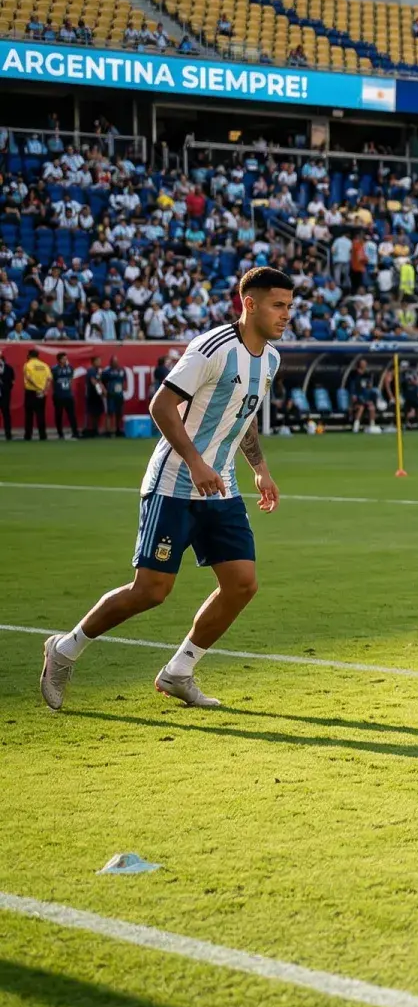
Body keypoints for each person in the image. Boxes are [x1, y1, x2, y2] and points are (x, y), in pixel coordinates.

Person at [39, 268, 293, 712]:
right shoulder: (211, 348)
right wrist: (195, 462)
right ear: (249, 304)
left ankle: (179, 671)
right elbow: (160, 404)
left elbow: (244, 415)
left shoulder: (270, 359)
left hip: (222, 487)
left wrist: (261, 468)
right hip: (175, 482)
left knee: (242, 583)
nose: (286, 315)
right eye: (278, 305)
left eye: (289, 306)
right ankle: (64, 649)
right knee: (151, 591)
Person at [22, 349, 50, 440]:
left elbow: (28, 378)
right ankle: (43, 435)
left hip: (31, 392)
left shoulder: (27, 365)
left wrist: (37, 387)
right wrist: (44, 390)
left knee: (29, 415)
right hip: (41, 392)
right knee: (40, 414)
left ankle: (28, 436)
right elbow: (49, 379)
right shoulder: (44, 365)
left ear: (29, 356)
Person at [51, 352, 77, 439]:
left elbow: (71, 378)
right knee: (58, 415)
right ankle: (60, 433)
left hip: (68, 395)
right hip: (59, 395)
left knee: (72, 415)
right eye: (63, 358)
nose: (65, 360)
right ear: (59, 360)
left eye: (66, 358)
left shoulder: (70, 368)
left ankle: (75, 432)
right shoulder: (54, 369)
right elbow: (52, 381)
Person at [102, 356, 129, 438]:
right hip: (111, 394)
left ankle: (118, 429)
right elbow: (102, 382)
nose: (115, 363)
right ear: (111, 362)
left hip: (119, 394)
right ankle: (109, 430)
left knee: (119, 413)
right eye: (114, 361)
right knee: (110, 412)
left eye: (116, 361)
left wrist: (125, 386)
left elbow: (124, 380)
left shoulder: (121, 370)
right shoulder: (107, 372)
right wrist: (105, 390)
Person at [0, 351, 13, 440]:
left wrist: (6, 388)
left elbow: (12, 381)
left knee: (6, 414)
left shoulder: (8, 368)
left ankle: (8, 434)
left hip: (5, 395)